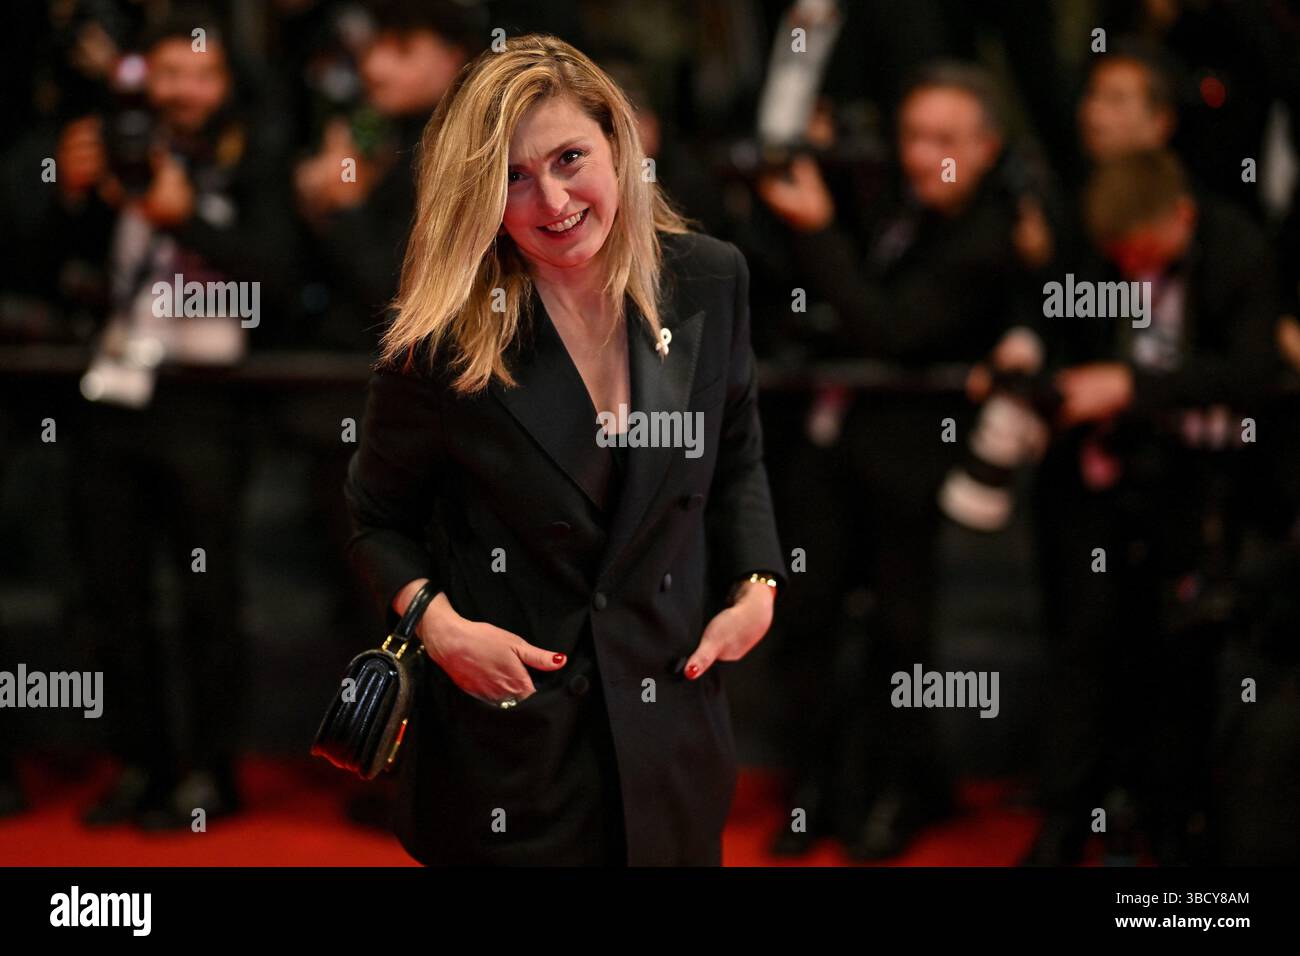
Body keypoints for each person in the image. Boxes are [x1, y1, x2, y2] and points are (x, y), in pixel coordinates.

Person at [343, 34, 786, 866]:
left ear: (620, 144)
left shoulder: (711, 278)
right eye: (512, 176)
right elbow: (376, 518)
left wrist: (756, 583)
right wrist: (440, 630)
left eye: (570, 158)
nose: (552, 200)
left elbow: (736, 455)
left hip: (670, 733)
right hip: (510, 754)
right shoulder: (442, 335)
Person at [754, 61, 1024, 859]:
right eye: (913, 135)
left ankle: (901, 796)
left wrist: (816, 227)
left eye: (945, 140)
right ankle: (818, 791)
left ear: (986, 147)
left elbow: (893, 327)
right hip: (829, 455)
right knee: (804, 621)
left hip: (909, 466)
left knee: (901, 642)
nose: (922, 155)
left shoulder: (989, 232)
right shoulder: (891, 204)